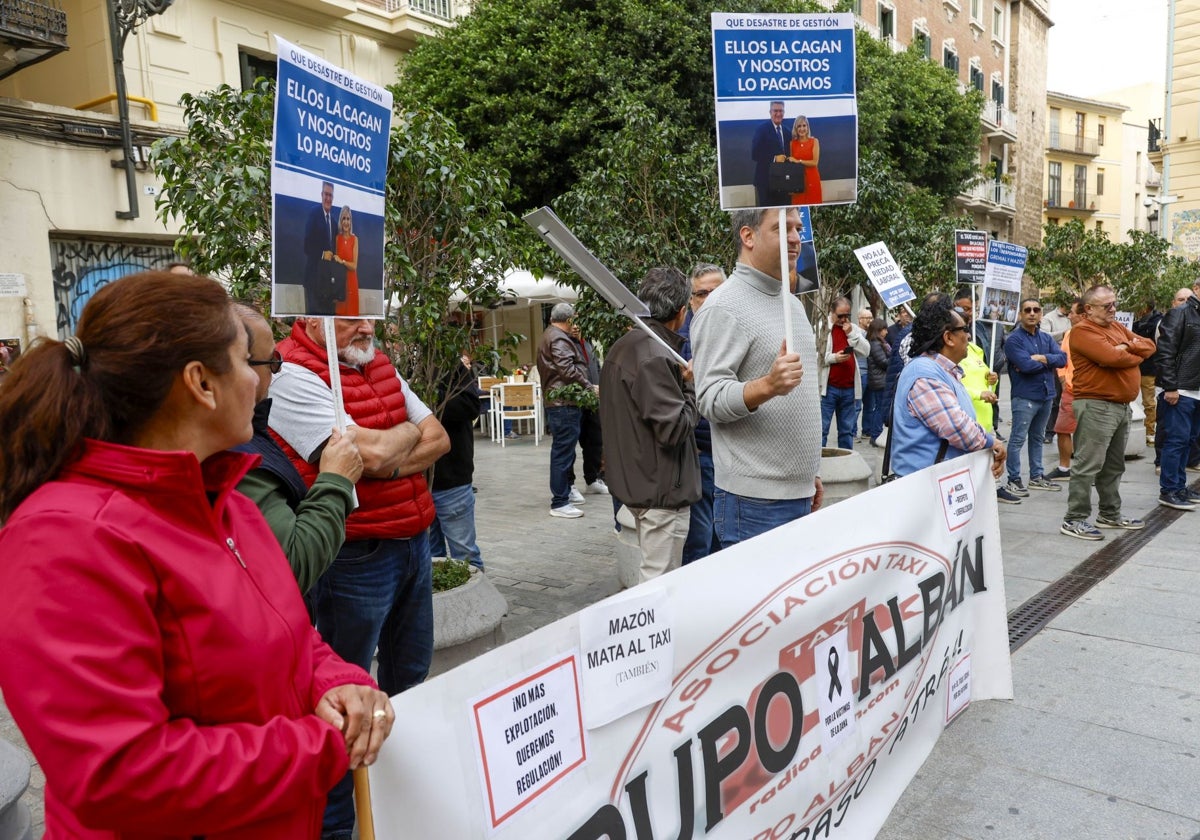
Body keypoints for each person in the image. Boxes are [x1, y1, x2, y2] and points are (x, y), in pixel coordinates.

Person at [0, 271, 393, 839]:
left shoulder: (226, 502)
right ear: (201, 384)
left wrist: (338, 683)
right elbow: (121, 775)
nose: (262, 387)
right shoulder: (63, 538)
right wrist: (321, 743)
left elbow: (290, 634)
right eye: (247, 362)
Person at [269, 316, 449, 839]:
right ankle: (338, 826)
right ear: (311, 319)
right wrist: (400, 441)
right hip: (354, 559)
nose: (365, 325)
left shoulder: (377, 362)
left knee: (411, 677)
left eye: (368, 312)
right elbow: (360, 455)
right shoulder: (293, 373)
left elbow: (437, 439)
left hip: (413, 543)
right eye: (348, 317)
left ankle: (397, 810)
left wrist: (391, 453)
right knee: (346, 707)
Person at [691, 207, 823, 549]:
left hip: (797, 493)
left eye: (797, 228)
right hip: (753, 503)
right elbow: (709, 398)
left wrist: (807, 476)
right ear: (747, 236)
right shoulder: (723, 307)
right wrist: (767, 385)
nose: (796, 238)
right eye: (782, 229)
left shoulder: (789, 302)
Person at [233, 305, 362, 597]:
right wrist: (335, 480)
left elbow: (435, 437)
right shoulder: (230, 452)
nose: (366, 328)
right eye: (272, 363)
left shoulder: (245, 431)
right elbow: (290, 565)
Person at [600, 267, 701, 581]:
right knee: (659, 585)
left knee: (656, 580)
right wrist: (692, 385)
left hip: (641, 483)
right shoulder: (653, 355)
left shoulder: (626, 345)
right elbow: (674, 428)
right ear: (681, 312)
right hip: (659, 492)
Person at [1061, 285, 1155, 540]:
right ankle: (1074, 519)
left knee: (1114, 465)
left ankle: (1109, 514)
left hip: (1119, 407)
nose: (1113, 309)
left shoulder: (1114, 327)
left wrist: (1127, 347)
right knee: (1088, 465)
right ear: (1088, 309)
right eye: (1107, 306)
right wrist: (1129, 348)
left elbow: (1149, 346)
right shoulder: (1082, 331)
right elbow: (1113, 358)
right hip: (1096, 406)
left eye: (1114, 303)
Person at [890, 297, 1007, 479]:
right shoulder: (925, 374)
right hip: (923, 487)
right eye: (964, 329)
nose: (968, 336)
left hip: (942, 483)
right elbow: (955, 426)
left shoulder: (944, 370)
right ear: (948, 338)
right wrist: (992, 442)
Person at [680, 263, 726, 565]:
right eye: (702, 293)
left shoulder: (738, 325)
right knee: (700, 540)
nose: (709, 298)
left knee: (726, 540)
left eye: (717, 291)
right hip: (701, 450)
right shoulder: (680, 340)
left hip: (737, 450)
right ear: (691, 300)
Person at [1001, 298, 1066, 496]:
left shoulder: (1045, 338)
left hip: (1046, 396)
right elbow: (1026, 366)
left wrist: (1042, 358)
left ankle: (1037, 476)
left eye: (1036, 310)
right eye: (1027, 310)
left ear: (1040, 314)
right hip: (1025, 397)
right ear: (1020, 314)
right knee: (1018, 439)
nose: (1031, 313)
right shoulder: (1013, 340)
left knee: (1037, 438)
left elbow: (1063, 359)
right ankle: (1014, 479)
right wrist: (1048, 362)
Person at [536, 302, 594, 518]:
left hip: (560, 401)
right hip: (564, 402)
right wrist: (589, 387)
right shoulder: (558, 338)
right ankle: (560, 501)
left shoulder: (551, 335)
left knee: (564, 451)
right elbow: (568, 370)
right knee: (563, 452)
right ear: (569, 320)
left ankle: (566, 492)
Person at [428, 354, 486, 567]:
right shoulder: (399, 366)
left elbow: (470, 406)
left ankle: (474, 599)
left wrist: (428, 395)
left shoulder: (449, 363)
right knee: (431, 557)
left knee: (466, 555)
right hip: (417, 480)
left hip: (451, 476)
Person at [1154, 277, 1200, 511]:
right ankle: (1169, 489)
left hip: (1197, 391)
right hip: (1180, 390)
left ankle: (1180, 486)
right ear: (1196, 289)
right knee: (1176, 441)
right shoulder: (1180, 313)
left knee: (1189, 441)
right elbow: (1165, 351)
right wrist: (1171, 386)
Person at [818, 295, 868, 450]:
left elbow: (866, 351)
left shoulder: (853, 329)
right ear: (832, 313)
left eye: (847, 315)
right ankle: (819, 464)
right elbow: (817, 357)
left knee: (846, 431)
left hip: (849, 388)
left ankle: (845, 463)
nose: (844, 319)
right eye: (840, 316)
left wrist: (851, 334)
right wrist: (834, 358)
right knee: (822, 429)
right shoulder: (823, 328)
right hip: (829, 388)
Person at [1046, 299, 1085, 482]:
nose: (1069, 316)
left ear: (1083, 315)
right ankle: (1064, 468)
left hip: (1088, 391)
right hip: (1069, 389)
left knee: (1087, 432)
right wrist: (1062, 379)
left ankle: (1088, 470)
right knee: (1062, 428)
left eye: (1072, 313)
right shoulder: (1070, 333)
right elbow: (1063, 358)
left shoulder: (1094, 334)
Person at [569, 322, 609, 496]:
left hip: (593, 400)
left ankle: (592, 479)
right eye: (572, 323)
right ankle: (568, 485)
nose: (576, 327)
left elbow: (596, 367)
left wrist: (600, 385)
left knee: (595, 441)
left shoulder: (587, 343)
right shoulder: (564, 345)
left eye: (579, 323)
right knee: (570, 445)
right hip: (574, 400)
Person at [304, 181, 342, 315]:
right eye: (326, 194)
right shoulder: (314, 213)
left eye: (330, 195)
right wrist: (321, 254)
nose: (328, 198)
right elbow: (307, 245)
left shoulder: (334, 221)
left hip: (328, 285)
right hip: (314, 281)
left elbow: (336, 250)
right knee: (314, 323)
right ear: (321, 195)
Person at [1132, 300, 1164, 446]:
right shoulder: (1135, 323)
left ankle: (1150, 431)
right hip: (1133, 366)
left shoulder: (1157, 322)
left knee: (1148, 401)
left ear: (1147, 307)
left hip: (1148, 367)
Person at [1041, 300, 1072, 443]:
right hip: (1057, 362)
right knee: (1055, 399)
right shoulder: (1049, 318)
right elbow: (1045, 336)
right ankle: (1049, 432)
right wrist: (1064, 334)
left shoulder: (1072, 317)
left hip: (1072, 363)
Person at [751, 100, 790, 206]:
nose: (778, 114)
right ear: (770, 112)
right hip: (765, 183)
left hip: (783, 184)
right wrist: (774, 158)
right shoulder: (761, 129)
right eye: (775, 111)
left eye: (781, 111)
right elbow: (755, 154)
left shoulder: (787, 131)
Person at [861, 317, 890, 447]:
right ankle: (876, 434)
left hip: (879, 379)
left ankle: (875, 433)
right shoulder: (875, 344)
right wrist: (894, 361)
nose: (887, 332)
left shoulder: (878, 343)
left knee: (877, 407)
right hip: (880, 380)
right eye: (884, 329)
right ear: (879, 330)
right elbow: (883, 362)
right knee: (878, 408)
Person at [788, 115, 822, 204]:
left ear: (807, 127)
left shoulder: (814, 141)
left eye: (804, 125)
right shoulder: (792, 144)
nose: (802, 129)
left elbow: (815, 162)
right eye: (799, 126)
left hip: (812, 179)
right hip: (798, 181)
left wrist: (798, 161)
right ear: (796, 128)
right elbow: (791, 166)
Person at [334, 205, 360, 317]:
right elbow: (334, 263)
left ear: (351, 221)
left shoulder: (355, 239)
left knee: (352, 318)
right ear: (340, 221)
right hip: (339, 284)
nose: (346, 222)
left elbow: (354, 266)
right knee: (340, 318)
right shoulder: (337, 239)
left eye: (348, 219)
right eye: (343, 218)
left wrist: (342, 261)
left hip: (351, 283)